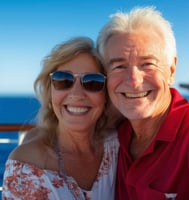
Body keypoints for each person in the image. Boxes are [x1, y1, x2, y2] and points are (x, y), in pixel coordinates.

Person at [97, 6, 189, 200]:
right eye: (119, 66)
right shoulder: (113, 137)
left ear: (171, 70)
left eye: (147, 64)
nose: (134, 80)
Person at [2, 37, 120, 200]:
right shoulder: (27, 168)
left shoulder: (118, 145)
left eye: (93, 82)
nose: (77, 94)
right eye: (64, 80)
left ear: (106, 94)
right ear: (50, 92)